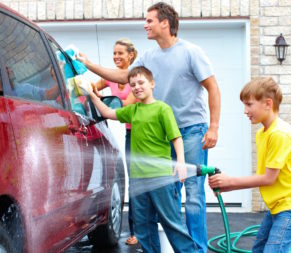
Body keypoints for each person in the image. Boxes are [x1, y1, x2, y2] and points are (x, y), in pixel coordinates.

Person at [77, 3, 221, 251]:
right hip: (163, 136)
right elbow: (122, 77)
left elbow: (213, 88)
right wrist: (89, 65)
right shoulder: (148, 57)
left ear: (164, 23)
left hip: (191, 130)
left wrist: (214, 127)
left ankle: (197, 249)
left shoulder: (191, 52)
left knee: (194, 194)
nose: (145, 25)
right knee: (169, 195)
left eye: (149, 20)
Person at [82, 66, 197, 253]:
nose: (136, 87)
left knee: (172, 223)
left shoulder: (162, 109)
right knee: (143, 227)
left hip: (160, 177)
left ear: (152, 84)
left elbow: (176, 138)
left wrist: (181, 163)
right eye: (132, 84)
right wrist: (92, 95)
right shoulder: (132, 110)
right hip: (138, 179)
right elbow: (107, 113)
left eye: (141, 83)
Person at [208, 77, 291, 253]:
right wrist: (227, 187)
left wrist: (231, 182)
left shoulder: (280, 134)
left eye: (249, 105)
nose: (245, 111)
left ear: (267, 103)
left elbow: (268, 178)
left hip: (290, 206)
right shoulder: (262, 133)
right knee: (258, 249)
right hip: (276, 206)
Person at [93, 38, 139, 245]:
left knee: (143, 181)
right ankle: (135, 231)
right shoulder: (111, 78)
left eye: (120, 53)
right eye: (114, 53)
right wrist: (92, 94)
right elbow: (92, 88)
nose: (116, 57)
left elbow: (125, 107)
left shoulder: (136, 78)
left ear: (131, 55)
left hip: (145, 132)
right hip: (131, 133)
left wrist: (102, 103)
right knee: (134, 182)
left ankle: (141, 230)